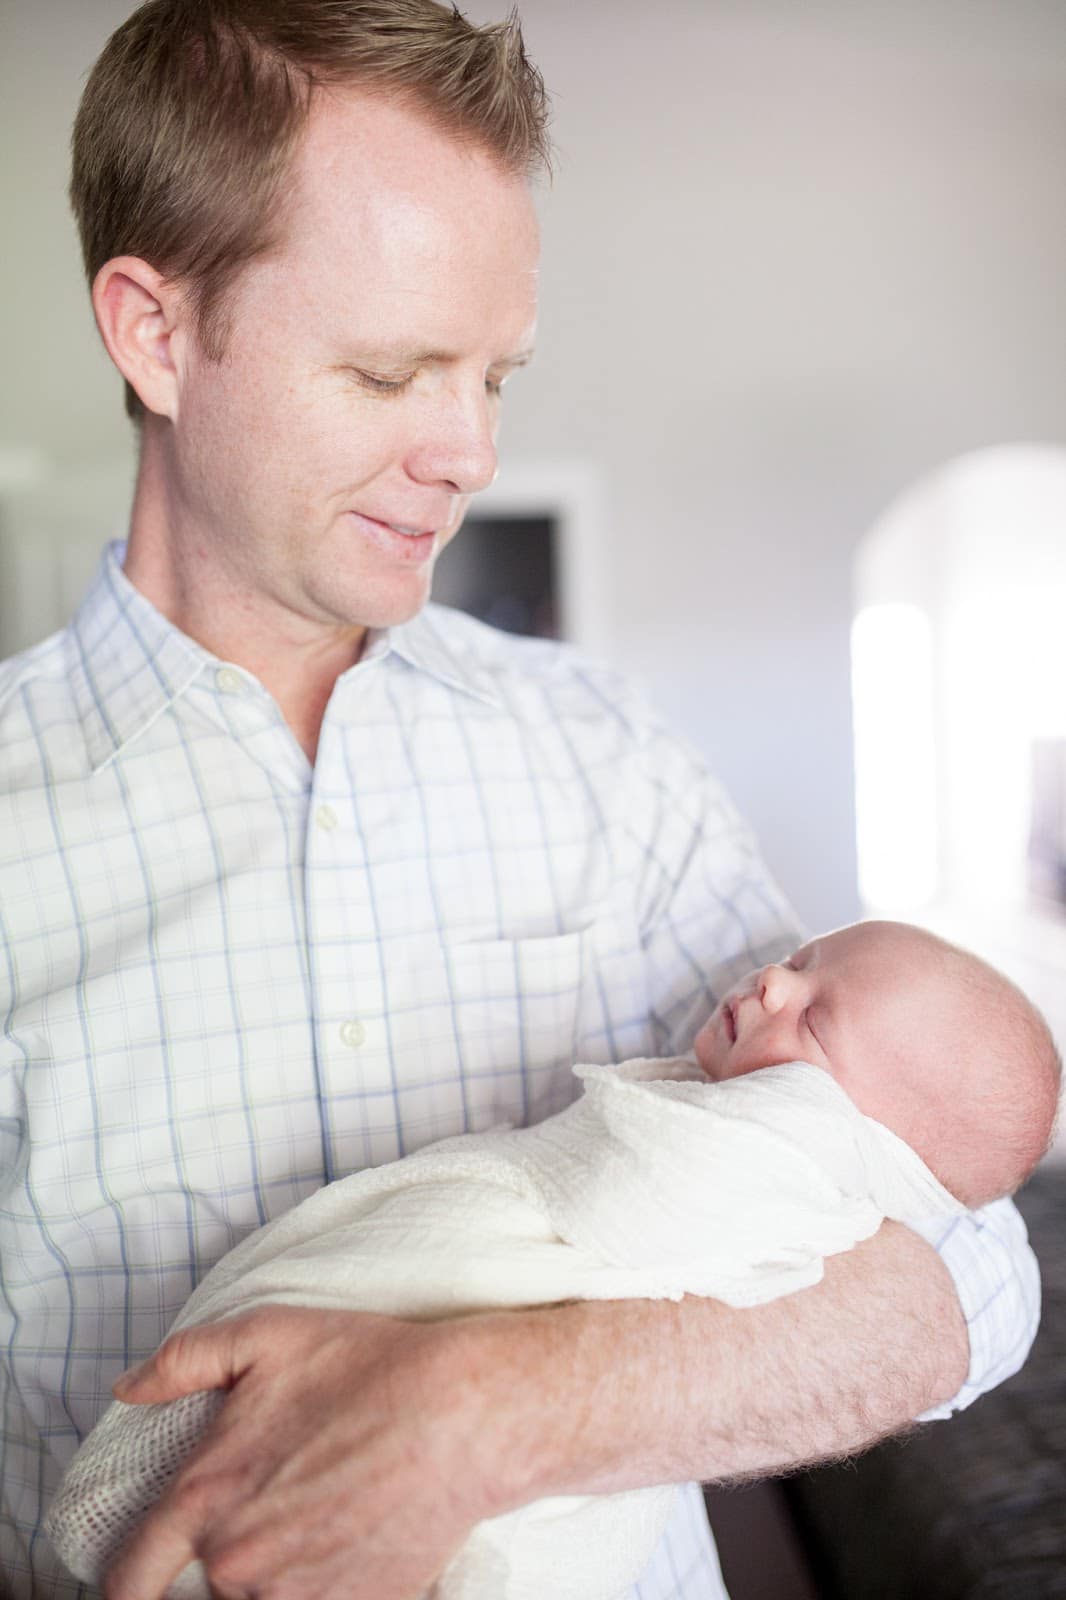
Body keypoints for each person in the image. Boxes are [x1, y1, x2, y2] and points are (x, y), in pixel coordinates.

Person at [0, 3, 1041, 1596]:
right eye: (389, 370)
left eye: (495, 376)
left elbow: (961, 1261)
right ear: (154, 332)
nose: (469, 449)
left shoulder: (600, 757)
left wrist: (502, 1408)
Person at [44, 918, 1061, 1600]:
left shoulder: (780, 1168)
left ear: (864, 1143)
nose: (774, 977)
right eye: (802, 955)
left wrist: (510, 1401)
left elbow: (989, 1273)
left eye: (818, 1013)